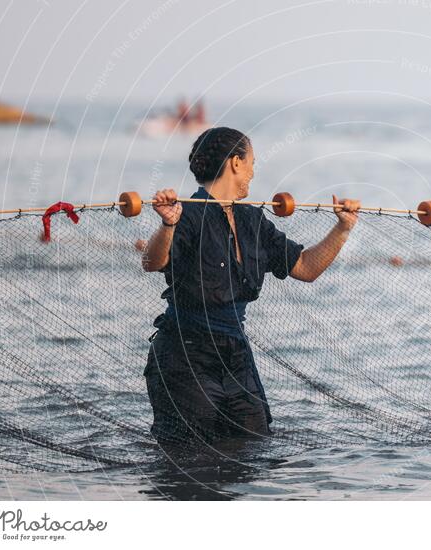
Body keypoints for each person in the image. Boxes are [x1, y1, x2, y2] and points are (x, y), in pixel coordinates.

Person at [141, 126, 360, 451]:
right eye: (252, 162)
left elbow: (306, 268)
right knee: (189, 458)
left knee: (254, 447)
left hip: (235, 354)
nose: (254, 172)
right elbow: (153, 261)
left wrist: (342, 229)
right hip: (184, 353)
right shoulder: (185, 214)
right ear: (235, 163)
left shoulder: (253, 221)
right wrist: (168, 223)